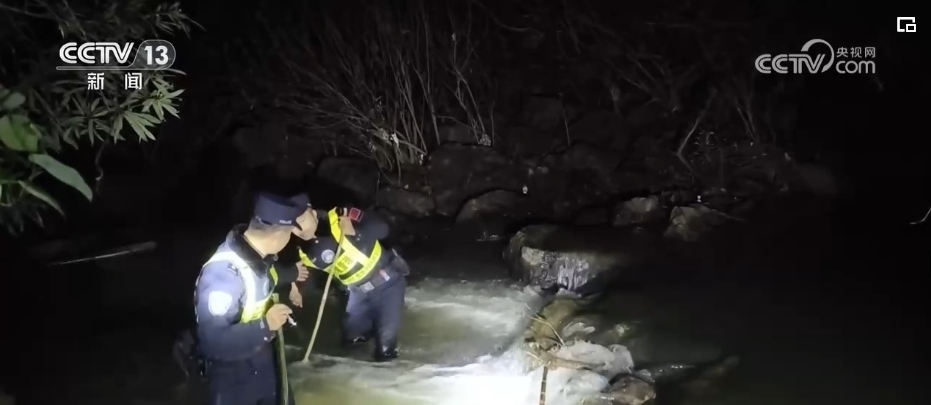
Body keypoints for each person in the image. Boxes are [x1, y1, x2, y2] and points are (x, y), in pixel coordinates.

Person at [193, 191, 310, 405]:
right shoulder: (223, 276)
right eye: (289, 234)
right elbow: (214, 343)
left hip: (260, 359)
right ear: (278, 235)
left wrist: (292, 274)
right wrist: (267, 325)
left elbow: (268, 275)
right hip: (231, 374)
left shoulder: (258, 256)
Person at [286, 193, 410, 362]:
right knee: (351, 344)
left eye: (300, 220)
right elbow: (297, 270)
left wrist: (356, 233)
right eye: (292, 225)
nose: (298, 229)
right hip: (357, 295)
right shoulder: (299, 247)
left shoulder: (342, 215)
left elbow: (382, 228)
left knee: (385, 352)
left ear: (312, 212)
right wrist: (294, 289)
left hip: (388, 284)